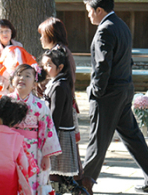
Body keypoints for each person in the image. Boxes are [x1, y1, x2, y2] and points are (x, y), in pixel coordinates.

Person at [81, 0, 148, 194]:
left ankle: (84, 183)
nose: (89, 15)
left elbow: (103, 65)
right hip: (124, 89)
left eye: (89, 11)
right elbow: (128, 60)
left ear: (99, 10)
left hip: (109, 93)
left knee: (98, 139)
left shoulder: (105, 29)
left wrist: (96, 91)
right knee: (132, 136)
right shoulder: (121, 26)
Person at [0, 64, 62, 194]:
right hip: (7, 148)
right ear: (12, 80)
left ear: (34, 83)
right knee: (8, 180)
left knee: (30, 180)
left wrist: (46, 156)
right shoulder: (3, 103)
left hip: (32, 150)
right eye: (18, 75)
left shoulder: (40, 105)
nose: (22, 78)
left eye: (27, 76)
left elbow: (47, 130)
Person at [37, 17, 83, 181]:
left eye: (43, 34)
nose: (41, 38)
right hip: (60, 105)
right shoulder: (58, 51)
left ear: (51, 35)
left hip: (62, 108)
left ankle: (79, 185)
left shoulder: (61, 53)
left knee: (65, 157)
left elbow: (65, 82)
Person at [41, 48, 88, 195]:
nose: (45, 68)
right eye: (44, 65)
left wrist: (48, 136)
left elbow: (55, 114)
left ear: (60, 67)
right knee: (59, 174)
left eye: (49, 65)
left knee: (59, 173)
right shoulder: (57, 83)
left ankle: (77, 191)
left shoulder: (59, 86)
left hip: (59, 133)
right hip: (59, 132)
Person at [0, 19, 23, 99]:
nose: (4, 34)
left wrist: (15, 83)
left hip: (18, 88)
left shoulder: (19, 46)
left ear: (11, 31)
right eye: (1, 31)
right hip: (1, 89)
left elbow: (23, 66)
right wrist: (7, 85)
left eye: (7, 30)